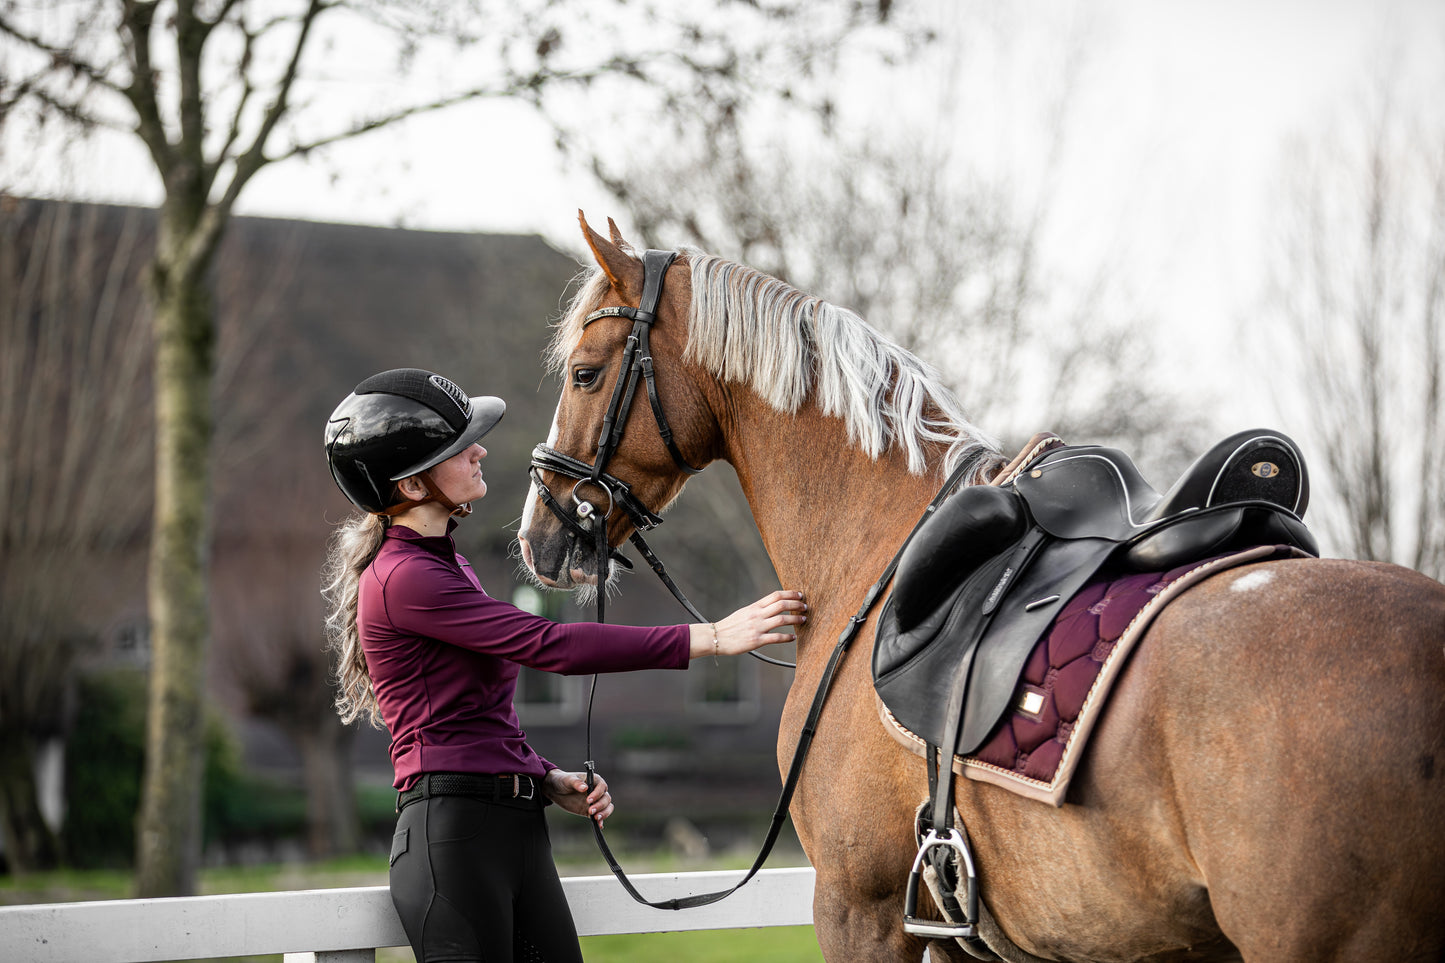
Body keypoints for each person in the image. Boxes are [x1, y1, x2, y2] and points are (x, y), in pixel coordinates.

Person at [320, 367, 806, 963]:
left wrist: (542, 776)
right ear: (414, 485)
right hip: (454, 841)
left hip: (513, 826)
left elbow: (476, 717)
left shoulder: (449, 567)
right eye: (458, 447)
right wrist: (711, 637)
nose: (479, 451)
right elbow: (550, 645)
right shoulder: (405, 577)